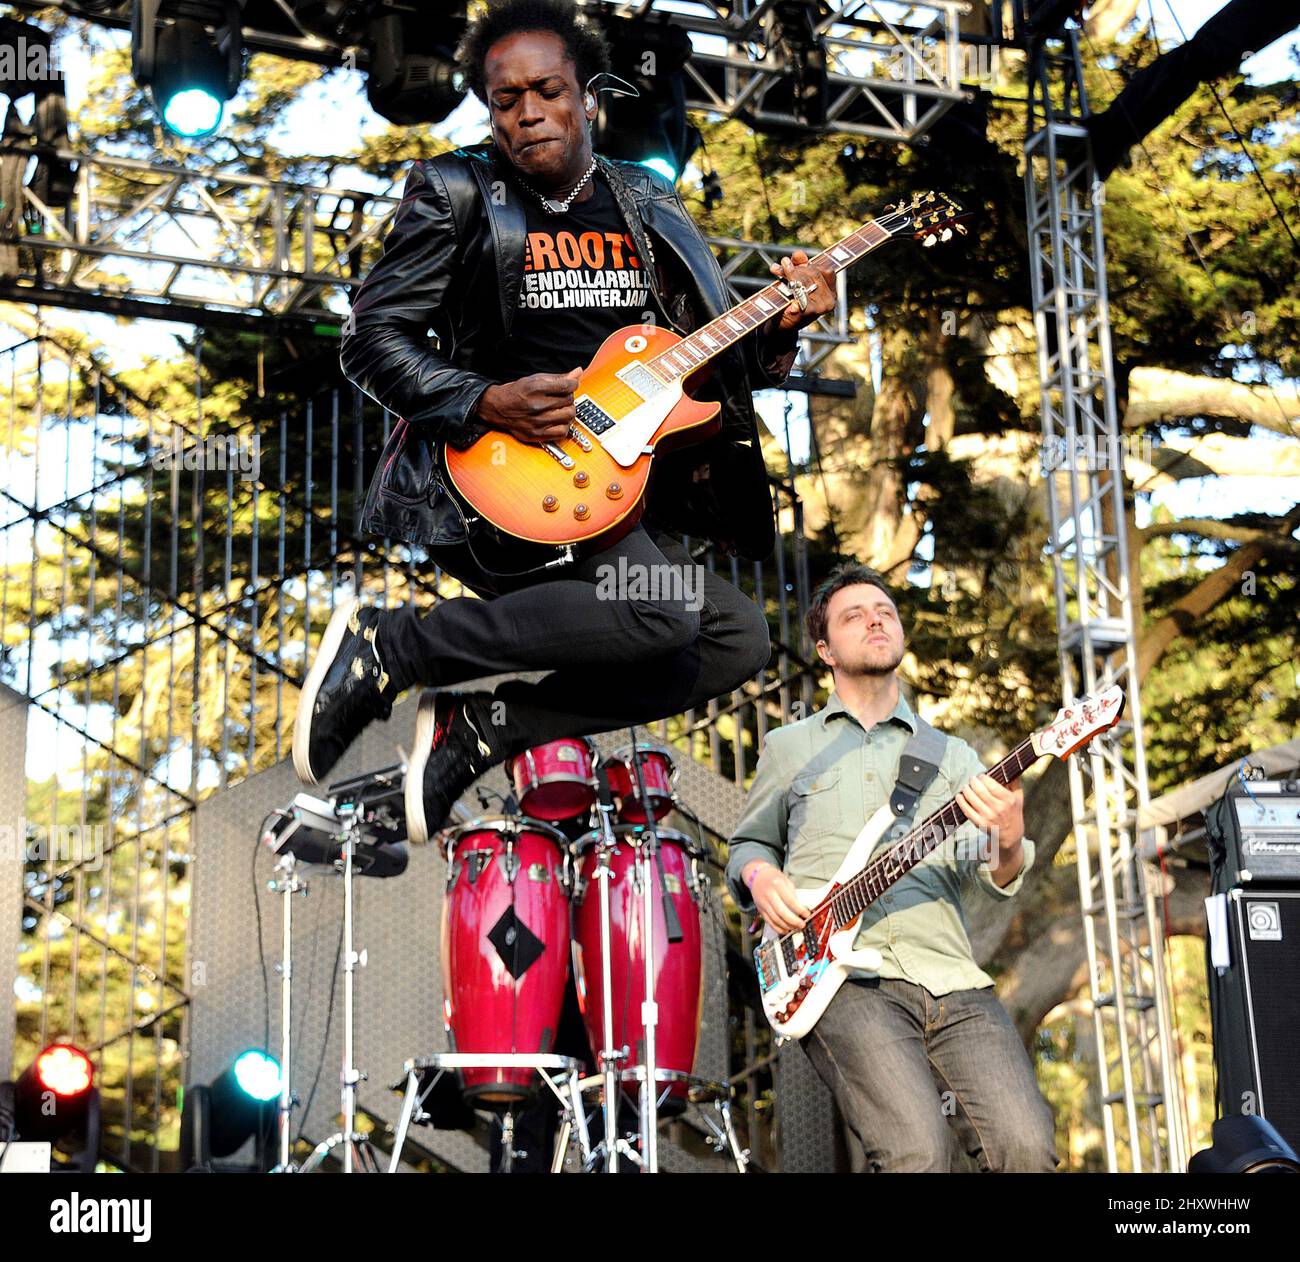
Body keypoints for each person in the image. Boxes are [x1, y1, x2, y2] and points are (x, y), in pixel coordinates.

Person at [290, 0, 837, 840]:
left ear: (587, 97)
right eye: (505, 100)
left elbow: (713, 362)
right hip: (503, 470)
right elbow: (373, 339)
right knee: (664, 614)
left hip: (610, 484)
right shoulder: (458, 190)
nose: (528, 112)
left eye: (547, 91)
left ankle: (486, 730)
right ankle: (393, 646)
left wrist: (784, 331)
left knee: (735, 640)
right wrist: (483, 399)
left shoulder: (648, 199)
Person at [725, 563, 1059, 1172]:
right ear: (824, 649)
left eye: (885, 612)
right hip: (839, 978)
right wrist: (760, 878)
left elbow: (994, 873)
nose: (876, 620)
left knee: (1027, 1148)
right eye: (855, 615)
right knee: (916, 1151)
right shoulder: (790, 746)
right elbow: (748, 845)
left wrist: (1008, 837)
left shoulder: (952, 756)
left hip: (952, 978)